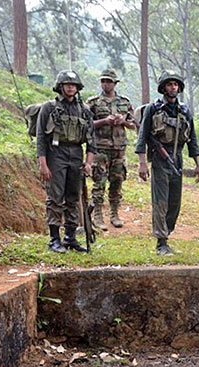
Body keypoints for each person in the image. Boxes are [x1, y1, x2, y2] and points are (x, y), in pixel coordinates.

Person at [134, 70, 199, 256]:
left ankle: (167, 232)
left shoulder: (184, 110)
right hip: (159, 158)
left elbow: (192, 139)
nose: (173, 87)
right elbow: (142, 137)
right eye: (169, 84)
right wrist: (142, 163)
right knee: (161, 201)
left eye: (176, 84)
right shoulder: (153, 109)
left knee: (174, 203)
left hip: (177, 159)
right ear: (163, 87)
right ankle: (161, 242)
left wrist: (197, 164)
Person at [36, 70, 95, 253]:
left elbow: (92, 141)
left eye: (74, 85)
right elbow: (40, 138)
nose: (70, 87)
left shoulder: (84, 110)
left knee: (73, 196)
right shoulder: (49, 107)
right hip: (56, 153)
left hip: (76, 154)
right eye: (67, 84)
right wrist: (43, 164)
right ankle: (54, 238)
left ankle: (70, 237)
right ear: (60, 87)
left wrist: (88, 163)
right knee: (55, 197)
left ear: (78, 88)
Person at [86, 69, 136, 231]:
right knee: (99, 182)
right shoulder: (93, 103)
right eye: (103, 81)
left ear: (115, 83)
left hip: (119, 148)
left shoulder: (125, 102)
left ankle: (115, 214)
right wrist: (105, 121)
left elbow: (135, 124)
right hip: (100, 148)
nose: (106, 84)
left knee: (117, 181)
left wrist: (123, 121)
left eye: (109, 81)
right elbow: (87, 124)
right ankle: (98, 215)